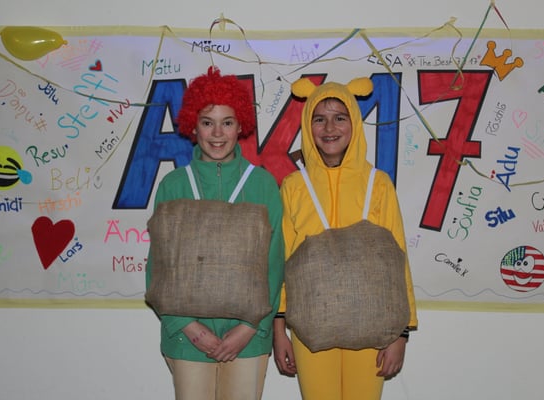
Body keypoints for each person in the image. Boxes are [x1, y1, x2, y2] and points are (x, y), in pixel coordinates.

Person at [272, 76, 418, 400]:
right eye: (319, 119)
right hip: (310, 323)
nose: (329, 128)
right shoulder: (294, 187)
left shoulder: (378, 184)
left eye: (340, 117)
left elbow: (398, 260)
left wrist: (401, 332)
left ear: (354, 122)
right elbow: (282, 260)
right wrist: (278, 329)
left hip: (373, 323)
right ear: (307, 126)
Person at [145, 66, 284, 400]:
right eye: (208, 122)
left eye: (227, 122)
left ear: (241, 126)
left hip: (248, 339)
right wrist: (188, 327)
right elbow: (159, 267)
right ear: (193, 126)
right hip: (186, 338)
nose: (218, 133)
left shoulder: (262, 184)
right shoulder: (173, 185)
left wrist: (250, 327)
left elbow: (274, 262)